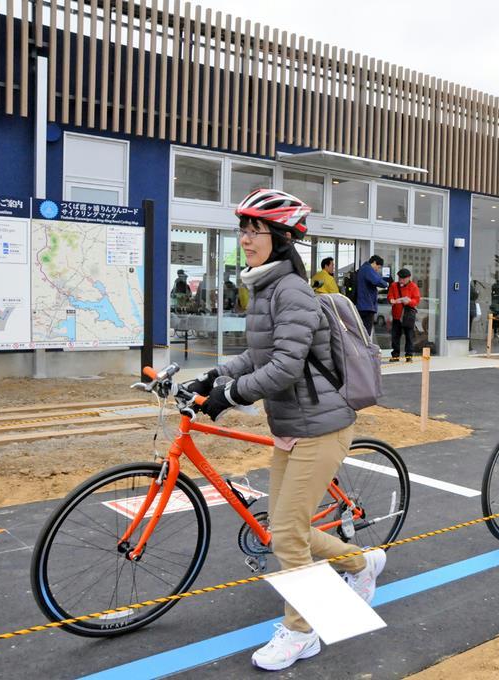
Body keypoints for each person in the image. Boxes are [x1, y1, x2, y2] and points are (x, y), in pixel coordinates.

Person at [183, 188, 385, 672]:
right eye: (244, 229)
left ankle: (303, 632)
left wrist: (229, 396)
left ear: (280, 237)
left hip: (321, 427)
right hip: (293, 425)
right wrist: (214, 374)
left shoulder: (291, 290)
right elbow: (258, 355)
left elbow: (285, 368)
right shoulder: (266, 288)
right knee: (283, 531)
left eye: (256, 230)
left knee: (289, 535)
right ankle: (361, 563)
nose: (247, 238)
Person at [387, 268, 420, 363]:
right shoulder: (394, 285)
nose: (401, 280)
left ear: (408, 278)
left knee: (409, 336)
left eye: (403, 279)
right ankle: (395, 355)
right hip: (397, 315)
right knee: (395, 336)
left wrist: (409, 301)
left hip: (407, 316)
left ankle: (409, 356)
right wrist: (391, 300)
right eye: (399, 278)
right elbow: (390, 296)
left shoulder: (413, 287)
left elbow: (416, 300)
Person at [355, 255, 388, 336]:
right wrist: (386, 284)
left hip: (362, 305)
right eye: (378, 267)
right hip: (367, 306)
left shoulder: (363, 269)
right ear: (374, 263)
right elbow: (377, 281)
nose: (377, 270)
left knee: (361, 332)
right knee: (366, 333)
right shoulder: (367, 269)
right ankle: (365, 348)